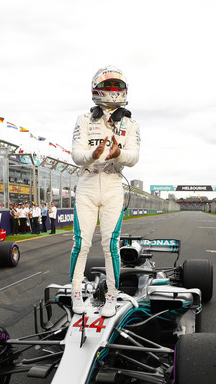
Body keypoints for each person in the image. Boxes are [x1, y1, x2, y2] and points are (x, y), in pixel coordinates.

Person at [69, 66, 140, 317]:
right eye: (109, 86)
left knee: (111, 245)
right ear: (97, 89)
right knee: (81, 243)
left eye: (117, 86)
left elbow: (133, 157)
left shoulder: (131, 124)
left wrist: (118, 153)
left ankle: (112, 296)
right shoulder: (84, 120)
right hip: (87, 185)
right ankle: (76, 292)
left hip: (112, 185)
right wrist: (93, 154)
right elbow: (77, 154)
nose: (113, 91)